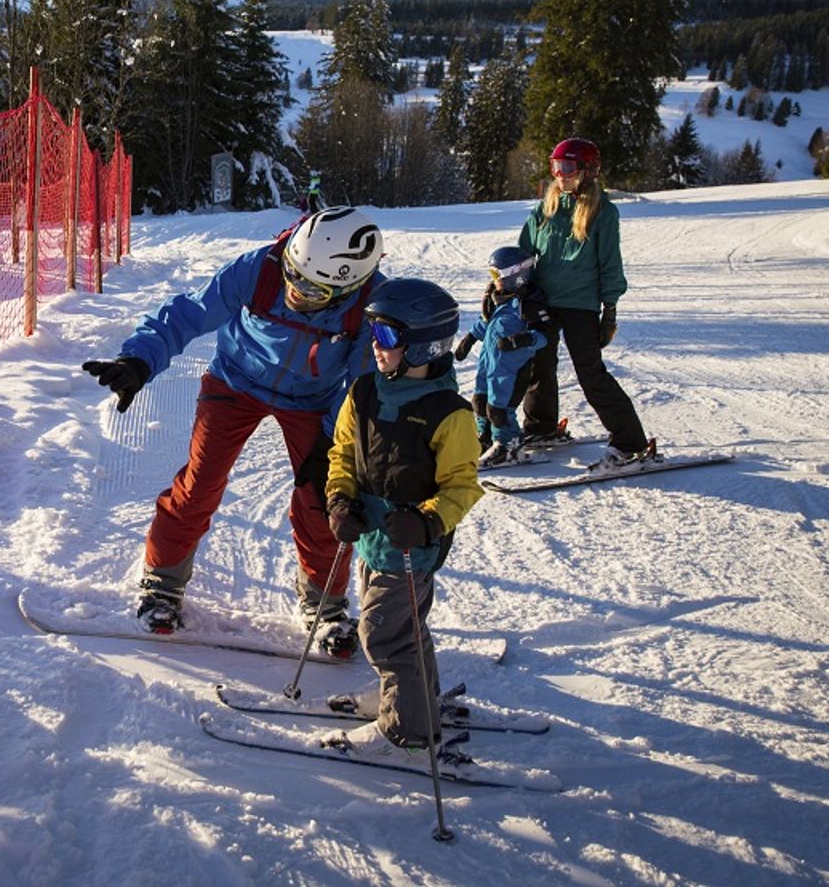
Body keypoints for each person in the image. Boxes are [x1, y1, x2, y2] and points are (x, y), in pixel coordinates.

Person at [82, 207, 385, 655]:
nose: (296, 292)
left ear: (350, 286)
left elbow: (362, 380)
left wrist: (330, 440)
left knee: (322, 498)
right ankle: (163, 581)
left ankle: (325, 603)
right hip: (236, 381)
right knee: (201, 481)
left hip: (312, 399)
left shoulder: (369, 305)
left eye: (314, 289)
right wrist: (139, 359)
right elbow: (189, 313)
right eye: (294, 275)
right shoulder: (261, 268)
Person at [320, 278, 483, 759]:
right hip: (372, 537)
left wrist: (429, 523)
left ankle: (407, 732)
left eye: (387, 337)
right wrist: (340, 500)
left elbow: (462, 486)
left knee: (384, 633)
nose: (375, 346)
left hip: (412, 543)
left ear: (423, 347)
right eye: (373, 333)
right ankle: (413, 701)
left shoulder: (449, 414)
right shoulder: (365, 390)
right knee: (404, 627)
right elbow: (343, 453)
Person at [517, 137, 650, 465]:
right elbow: (523, 254)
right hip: (543, 302)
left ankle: (631, 441)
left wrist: (610, 311)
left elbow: (610, 264)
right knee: (539, 365)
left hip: (581, 304)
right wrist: (509, 287)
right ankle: (541, 426)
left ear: (587, 170)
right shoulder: (545, 207)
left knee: (590, 373)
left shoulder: (604, 213)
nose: (560, 174)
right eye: (555, 166)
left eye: (568, 167)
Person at [453, 246, 550, 466]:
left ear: (516, 274)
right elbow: (486, 322)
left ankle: (508, 445)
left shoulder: (529, 302)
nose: (494, 280)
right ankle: (485, 440)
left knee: (499, 409)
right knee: (480, 401)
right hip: (489, 363)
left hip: (511, 369)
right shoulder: (499, 298)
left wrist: (522, 340)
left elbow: (544, 334)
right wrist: (469, 339)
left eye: (497, 274)